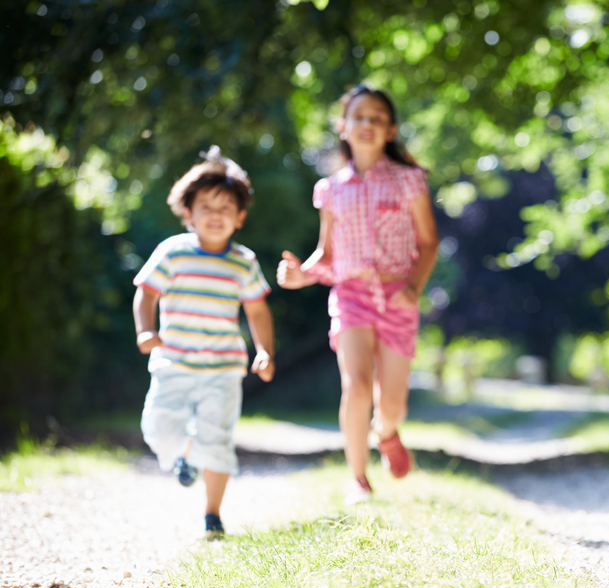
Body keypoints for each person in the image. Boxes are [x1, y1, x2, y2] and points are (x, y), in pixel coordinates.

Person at [277, 86, 438, 504]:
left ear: (391, 130)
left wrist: (413, 288)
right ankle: (358, 480)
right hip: (350, 297)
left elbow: (428, 243)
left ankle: (386, 433)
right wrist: (301, 276)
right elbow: (326, 255)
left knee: (392, 405)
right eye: (359, 117)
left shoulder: (409, 181)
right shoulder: (330, 189)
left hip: (398, 296)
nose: (367, 124)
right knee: (357, 386)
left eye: (377, 118)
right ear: (342, 127)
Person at [132, 146, 275, 539]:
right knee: (158, 430)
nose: (215, 215)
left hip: (224, 368)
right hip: (173, 361)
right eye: (206, 207)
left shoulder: (243, 262)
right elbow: (145, 294)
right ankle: (183, 456)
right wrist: (146, 331)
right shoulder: (172, 252)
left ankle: (212, 515)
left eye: (225, 207)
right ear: (188, 213)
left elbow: (258, 311)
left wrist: (264, 350)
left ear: (240, 217)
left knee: (217, 438)